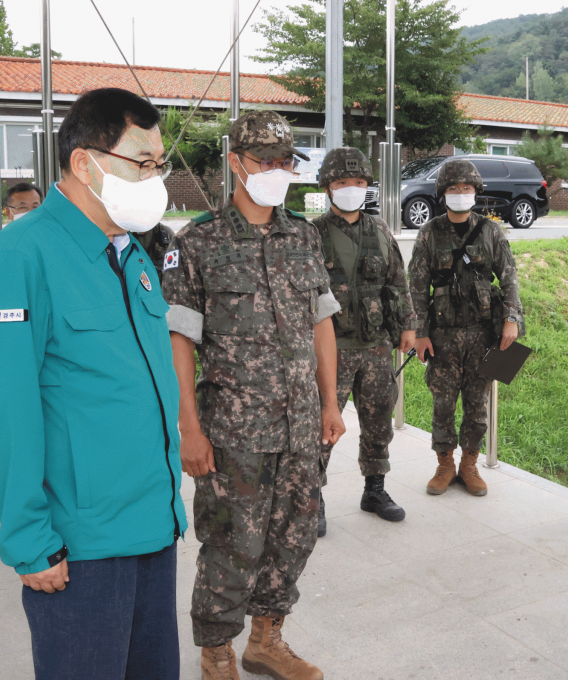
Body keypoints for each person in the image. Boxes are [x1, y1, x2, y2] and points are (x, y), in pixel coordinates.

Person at [0, 88, 187, 679]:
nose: (155, 178)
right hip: (80, 546)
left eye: (158, 164)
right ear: (85, 163)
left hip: (151, 527)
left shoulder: (132, 255)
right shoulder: (19, 256)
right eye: (142, 163)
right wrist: (29, 538)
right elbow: (3, 410)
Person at [164, 109, 345, 680]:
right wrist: (189, 428)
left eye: (284, 161)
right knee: (229, 544)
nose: (275, 170)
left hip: (300, 430)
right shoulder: (198, 242)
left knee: (293, 536)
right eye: (264, 160)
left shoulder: (304, 235)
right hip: (234, 433)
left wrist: (330, 401)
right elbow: (180, 340)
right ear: (235, 162)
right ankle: (216, 652)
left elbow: (321, 322)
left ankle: (267, 639)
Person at [312, 146, 416, 535]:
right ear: (327, 188)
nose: (351, 189)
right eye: (342, 183)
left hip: (375, 347)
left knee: (378, 423)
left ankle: (375, 490)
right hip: (331, 349)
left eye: (357, 183)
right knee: (322, 426)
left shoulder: (380, 230)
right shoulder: (312, 234)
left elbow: (397, 281)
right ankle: (313, 498)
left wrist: (408, 326)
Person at [408, 159, 524, 497]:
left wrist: (512, 320)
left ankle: (469, 464)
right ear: (442, 193)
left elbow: (510, 278)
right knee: (442, 403)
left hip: (483, 334)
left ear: (476, 191)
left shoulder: (491, 232)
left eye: (467, 188)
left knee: (477, 404)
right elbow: (416, 287)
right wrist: (420, 331)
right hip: (442, 336)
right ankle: (444, 463)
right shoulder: (429, 233)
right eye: (454, 189)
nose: (461, 194)